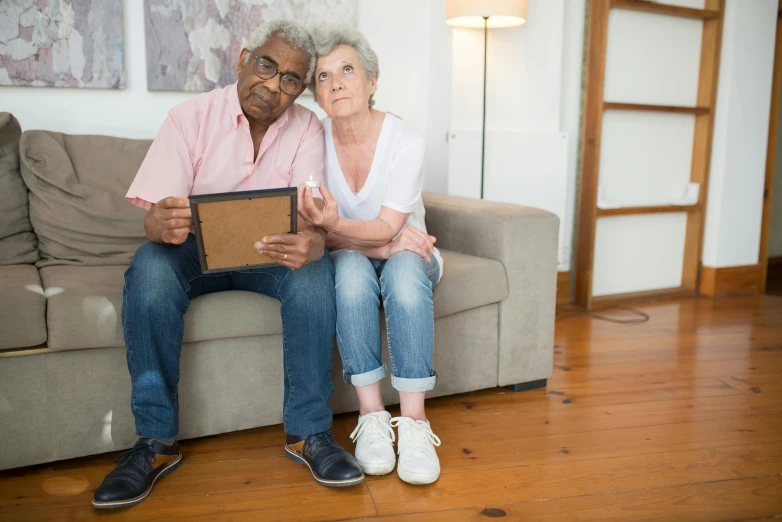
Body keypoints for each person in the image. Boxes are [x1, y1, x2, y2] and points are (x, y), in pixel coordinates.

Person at [92, 21, 363, 510]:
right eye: (266, 65)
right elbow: (154, 225)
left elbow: (315, 226)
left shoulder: (306, 129)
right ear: (242, 60)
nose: (273, 85)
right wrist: (159, 224)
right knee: (150, 266)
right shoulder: (188, 118)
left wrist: (314, 244)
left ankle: (309, 434)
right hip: (194, 251)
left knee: (315, 272)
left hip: (271, 250)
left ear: (300, 91)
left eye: (290, 80)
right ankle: (155, 443)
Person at [297, 24, 443, 485]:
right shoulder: (309, 141)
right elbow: (314, 231)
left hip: (409, 254)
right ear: (317, 95)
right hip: (359, 255)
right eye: (322, 77)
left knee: (400, 274)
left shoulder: (407, 141)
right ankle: (374, 418)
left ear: (372, 81)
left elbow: (387, 228)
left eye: (347, 70)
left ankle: (416, 424)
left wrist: (347, 231)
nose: (335, 82)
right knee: (355, 273)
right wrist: (373, 241)